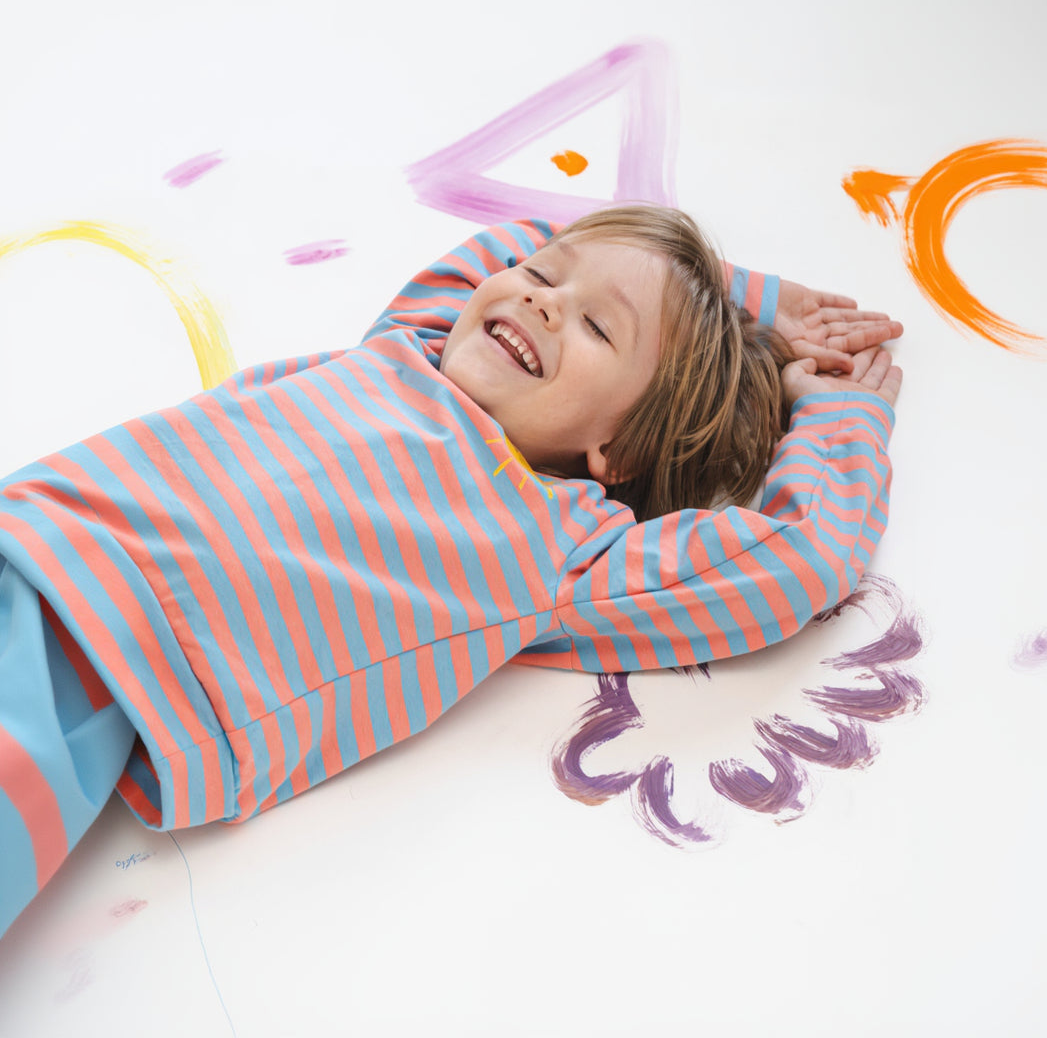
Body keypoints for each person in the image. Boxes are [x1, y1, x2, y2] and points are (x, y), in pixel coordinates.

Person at [0, 205, 901, 937]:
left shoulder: (564, 549)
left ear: (618, 448)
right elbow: (509, 245)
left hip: (90, 684)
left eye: (596, 326)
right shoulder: (408, 344)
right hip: (28, 530)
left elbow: (798, 558)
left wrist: (835, 413)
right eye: (546, 279)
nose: (544, 299)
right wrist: (746, 300)